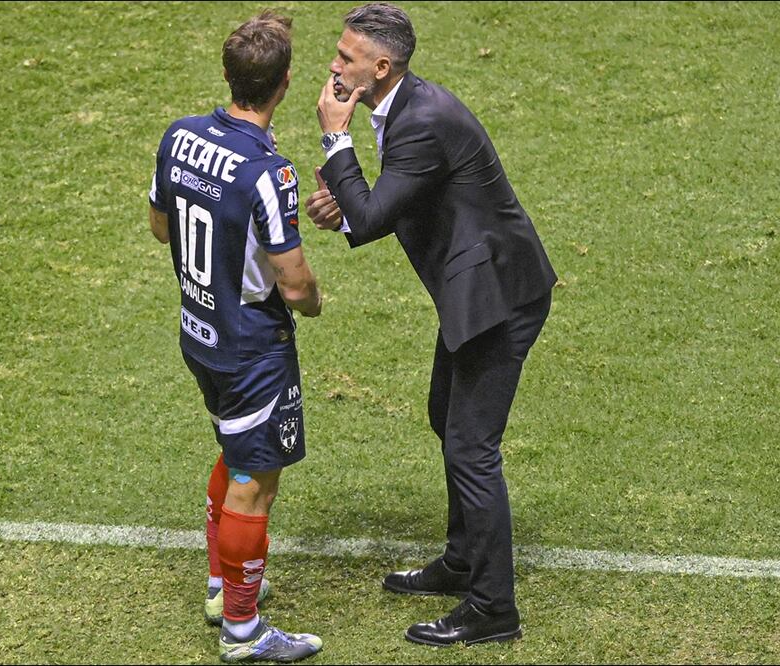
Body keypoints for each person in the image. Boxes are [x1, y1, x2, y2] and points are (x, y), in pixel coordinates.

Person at [305, 2, 557, 647]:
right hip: (479, 288)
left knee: (471, 447)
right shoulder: (407, 106)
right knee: (447, 417)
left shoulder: (420, 120)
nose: (333, 67)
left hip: (497, 298)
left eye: (345, 59)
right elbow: (389, 203)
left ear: (380, 68)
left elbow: (370, 219)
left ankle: (492, 608)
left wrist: (337, 144)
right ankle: (462, 560)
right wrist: (349, 197)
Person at [148, 11, 324, 663]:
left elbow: (160, 227)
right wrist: (310, 304)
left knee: (232, 449)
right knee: (256, 479)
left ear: (227, 76)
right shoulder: (267, 171)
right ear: (282, 86)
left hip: (199, 333)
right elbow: (296, 283)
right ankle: (243, 631)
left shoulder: (178, 138)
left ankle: (223, 586)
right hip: (251, 347)